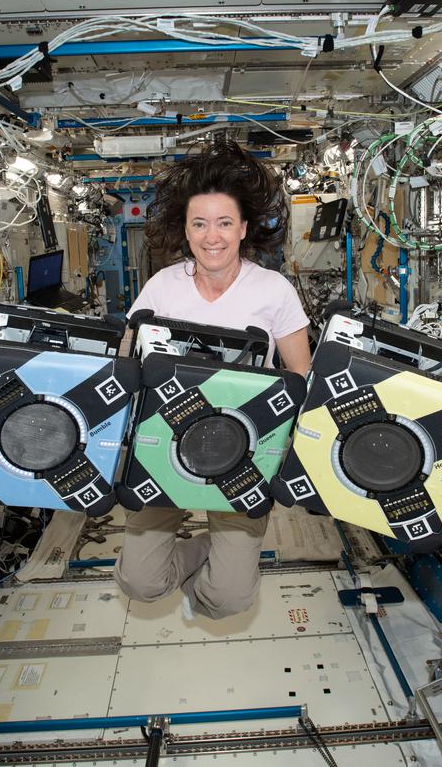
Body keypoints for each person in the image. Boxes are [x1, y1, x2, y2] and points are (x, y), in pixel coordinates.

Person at [115, 141, 310, 620]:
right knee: (139, 582)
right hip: (165, 447)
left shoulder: (273, 290)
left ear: (244, 229)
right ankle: (198, 548)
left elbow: (300, 378)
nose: (212, 237)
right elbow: (123, 365)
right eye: (199, 223)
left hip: (241, 454)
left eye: (224, 223)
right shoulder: (162, 286)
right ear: (185, 230)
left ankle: (215, 560)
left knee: (227, 598)